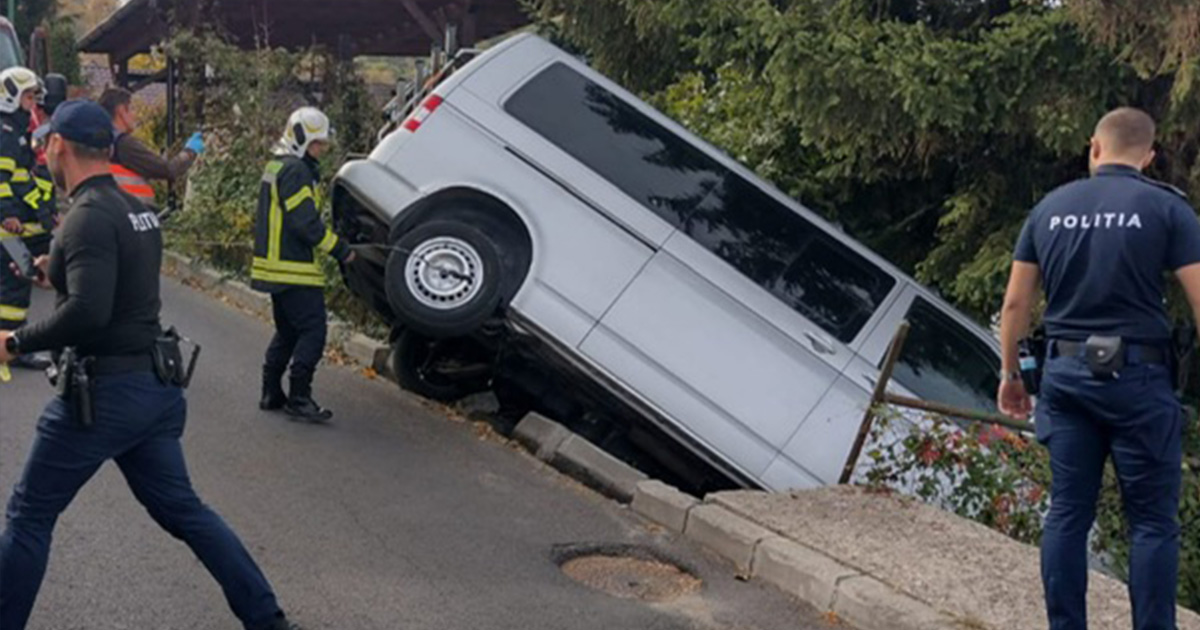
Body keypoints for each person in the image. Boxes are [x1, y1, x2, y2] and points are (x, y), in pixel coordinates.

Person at [0, 100, 300, 630]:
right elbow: (116, 290)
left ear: (58, 147)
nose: (44, 147)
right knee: (186, 512)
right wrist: (59, 270)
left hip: (104, 398)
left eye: (47, 141)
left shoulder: (88, 217)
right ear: (108, 149)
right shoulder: (131, 210)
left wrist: (16, 341)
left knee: (28, 517)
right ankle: (269, 620)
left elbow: (90, 313)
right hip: (153, 391)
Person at [998, 107, 1200, 630]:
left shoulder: (1050, 209)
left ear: (1094, 148)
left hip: (1065, 379)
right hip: (1140, 380)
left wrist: (1012, 376)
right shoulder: (1168, 210)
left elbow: (1017, 306)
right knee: (1153, 524)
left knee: (1067, 514)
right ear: (1149, 157)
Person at [252, 106, 354, 423]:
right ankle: (299, 397)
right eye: (317, 144)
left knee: (287, 331)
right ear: (300, 139)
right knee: (312, 329)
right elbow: (306, 225)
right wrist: (341, 250)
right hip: (292, 268)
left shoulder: (277, 166)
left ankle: (271, 392)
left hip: (272, 268)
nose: (321, 150)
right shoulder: (296, 171)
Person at [0, 66, 51, 370]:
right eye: (28, 96)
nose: (32, 103)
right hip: (10, 231)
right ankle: (13, 349)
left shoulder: (15, 132)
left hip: (13, 227)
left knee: (9, 286)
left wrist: (44, 211)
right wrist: (6, 215)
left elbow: (21, 179)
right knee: (15, 288)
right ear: (11, 96)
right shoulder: (7, 134)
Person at [98, 86, 204, 206]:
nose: (136, 115)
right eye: (132, 109)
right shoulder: (124, 145)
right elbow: (167, 169)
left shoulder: (100, 145)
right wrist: (190, 151)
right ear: (122, 111)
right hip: (133, 212)